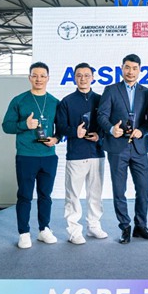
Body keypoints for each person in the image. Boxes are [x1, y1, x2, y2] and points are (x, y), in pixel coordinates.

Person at [97, 54, 148, 244]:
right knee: (119, 189)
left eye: (134, 68)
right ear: (122, 68)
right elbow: (101, 116)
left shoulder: (147, 93)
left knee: (144, 188)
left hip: (139, 148)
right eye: (127, 67)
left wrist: (142, 130)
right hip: (117, 147)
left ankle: (141, 226)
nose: (131, 71)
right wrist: (111, 129)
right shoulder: (111, 90)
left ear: (140, 70)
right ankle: (125, 226)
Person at [2, 62, 60, 249]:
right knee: (25, 195)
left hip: (48, 156)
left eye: (42, 76)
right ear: (29, 78)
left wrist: (56, 139)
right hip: (26, 155)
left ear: (48, 78)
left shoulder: (55, 102)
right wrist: (24, 125)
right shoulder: (19, 100)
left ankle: (44, 229)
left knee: (45, 195)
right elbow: (6, 126)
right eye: (35, 75)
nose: (38, 79)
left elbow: (61, 128)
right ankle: (24, 233)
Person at [56, 62, 106, 244]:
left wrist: (99, 136)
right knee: (73, 195)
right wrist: (73, 132)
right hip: (76, 155)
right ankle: (74, 231)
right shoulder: (66, 101)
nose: (83, 78)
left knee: (95, 194)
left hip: (97, 153)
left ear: (93, 78)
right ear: (74, 78)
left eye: (86, 75)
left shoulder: (101, 100)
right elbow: (60, 127)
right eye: (79, 75)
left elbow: (107, 124)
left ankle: (94, 226)